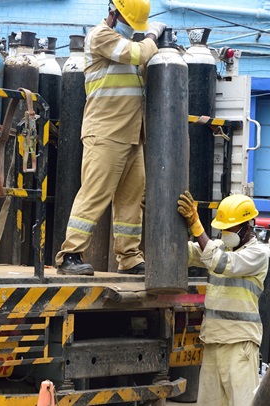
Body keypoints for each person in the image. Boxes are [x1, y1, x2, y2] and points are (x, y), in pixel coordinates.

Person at [55, 0, 166, 275]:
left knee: (131, 200)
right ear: (114, 15)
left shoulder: (127, 45)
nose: (132, 29)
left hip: (132, 135)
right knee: (94, 194)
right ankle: (70, 255)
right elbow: (138, 54)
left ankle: (129, 258)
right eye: (130, 24)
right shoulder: (101, 36)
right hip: (105, 132)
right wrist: (152, 35)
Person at [177, 191, 270, 406]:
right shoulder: (220, 247)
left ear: (247, 227)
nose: (225, 233)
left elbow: (220, 262)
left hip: (239, 343)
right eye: (223, 229)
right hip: (213, 339)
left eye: (230, 228)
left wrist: (196, 225)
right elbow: (189, 253)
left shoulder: (257, 254)